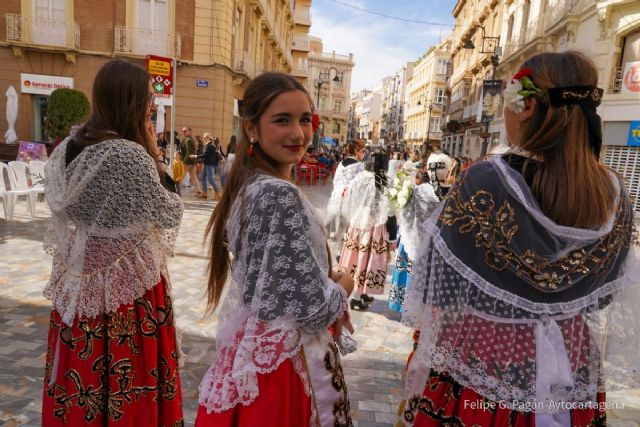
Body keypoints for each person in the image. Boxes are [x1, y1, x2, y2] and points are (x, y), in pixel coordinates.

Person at [400, 51, 640, 426]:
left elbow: (437, 289)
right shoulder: (613, 194)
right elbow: (602, 295)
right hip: (571, 359)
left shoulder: (484, 182)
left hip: (485, 362)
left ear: (526, 105)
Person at [196, 72, 355, 427]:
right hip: (284, 369)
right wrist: (344, 284)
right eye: (282, 120)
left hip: (256, 356)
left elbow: (275, 281)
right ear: (252, 128)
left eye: (304, 119)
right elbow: (313, 310)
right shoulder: (277, 194)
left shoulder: (250, 184)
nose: (298, 134)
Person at [42, 59, 184, 425]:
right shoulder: (127, 154)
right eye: (147, 98)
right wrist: (153, 152)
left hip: (77, 280)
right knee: (127, 376)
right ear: (129, 99)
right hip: (127, 288)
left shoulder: (67, 148)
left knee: (82, 374)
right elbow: (169, 212)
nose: (151, 105)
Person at [338, 151, 397, 311]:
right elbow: (391, 212)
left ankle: (361, 292)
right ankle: (356, 297)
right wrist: (392, 237)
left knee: (357, 260)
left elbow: (347, 202)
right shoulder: (386, 181)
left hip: (357, 224)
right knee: (367, 262)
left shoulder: (358, 179)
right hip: (375, 227)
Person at [325, 140, 366, 260]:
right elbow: (361, 186)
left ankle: (338, 251)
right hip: (350, 200)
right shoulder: (359, 166)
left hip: (336, 198)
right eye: (363, 151)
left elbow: (335, 181)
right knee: (348, 227)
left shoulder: (341, 163)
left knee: (341, 225)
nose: (364, 153)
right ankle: (342, 253)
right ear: (356, 151)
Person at [198, 132, 223, 200]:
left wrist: (195, 156)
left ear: (209, 138)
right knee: (203, 177)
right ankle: (205, 193)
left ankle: (218, 193)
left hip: (210, 164)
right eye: (203, 137)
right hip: (207, 164)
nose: (203, 139)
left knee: (210, 179)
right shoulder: (207, 145)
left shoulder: (211, 145)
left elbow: (206, 155)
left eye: (205, 137)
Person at [181, 126, 202, 194]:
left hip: (188, 161)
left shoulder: (188, 140)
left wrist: (184, 162)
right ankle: (199, 191)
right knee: (193, 177)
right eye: (183, 131)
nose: (183, 132)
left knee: (181, 175)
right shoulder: (188, 139)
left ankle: (175, 190)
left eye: (185, 131)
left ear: (190, 132)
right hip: (192, 161)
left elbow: (189, 153)